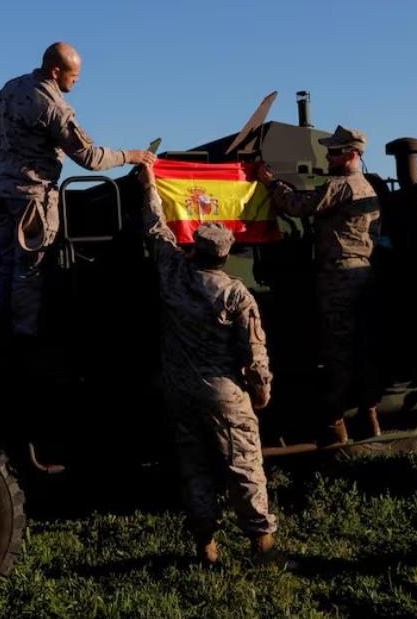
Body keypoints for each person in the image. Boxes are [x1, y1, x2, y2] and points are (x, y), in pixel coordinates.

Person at [137, 164, 280, 565]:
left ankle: (206, 547)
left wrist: (150, 185)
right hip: (224, 393)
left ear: (193, 246)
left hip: (179, 387)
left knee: (193, 467)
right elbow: (254, 354)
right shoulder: (236, 295)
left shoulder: (171, 273)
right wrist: (261, 391)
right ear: (226, 253)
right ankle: (262, 545)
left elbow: (155, 227)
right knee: (244, 466)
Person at [0, 42, 156, 338]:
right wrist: (131, 156)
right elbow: (88, 157)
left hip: (2, 191)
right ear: (56, 72)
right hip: (32, 199)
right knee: (30, 272)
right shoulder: (54, 107)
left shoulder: (12, 87)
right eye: (73, 75)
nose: (77, 81)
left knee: (5, 267)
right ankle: (23, 344)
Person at [257, 125, 381, 445]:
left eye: (334, 151)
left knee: (336, 352)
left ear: (351, 155)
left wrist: (273, 184)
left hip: (339, 278)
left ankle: (335, 428)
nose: (328, 154)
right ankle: (370, 419)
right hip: (362, 274)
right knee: (362, 349)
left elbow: (298, 207)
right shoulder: (367, 187)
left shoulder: (340, 186)